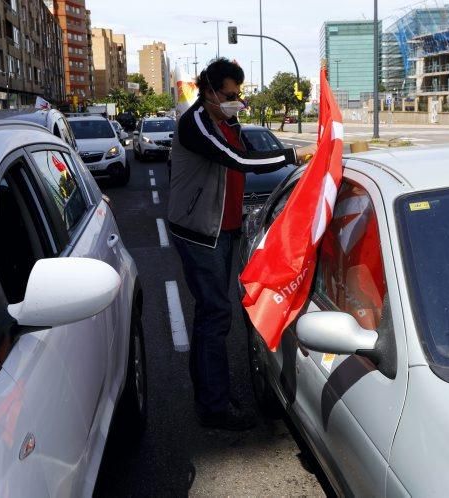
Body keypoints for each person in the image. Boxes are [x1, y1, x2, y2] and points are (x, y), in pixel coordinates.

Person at [168, 58, 317, 431]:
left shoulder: (227, 120)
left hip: (226, 229)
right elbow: (239, 160)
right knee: (215, 314)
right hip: (200, 233)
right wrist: (292, 155)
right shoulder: (196, 123)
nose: (236, 102)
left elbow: (246, 148)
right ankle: (214, 406)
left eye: (239, 96)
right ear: (208, 90)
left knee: (214, 315)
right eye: (229, 95)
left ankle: (211, 394)